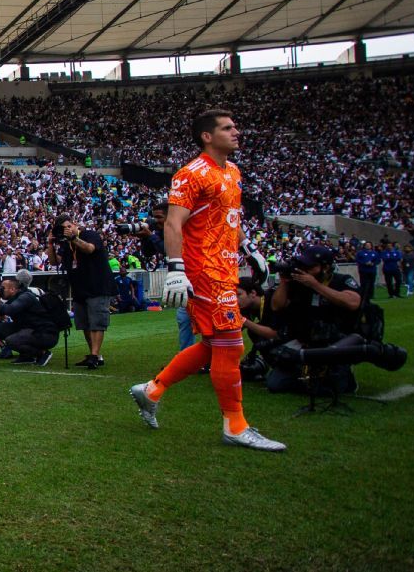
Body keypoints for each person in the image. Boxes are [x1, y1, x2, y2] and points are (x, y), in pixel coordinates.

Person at [130, 108, 284, 452]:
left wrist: (250, 248)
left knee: (214, 344)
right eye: (228, 128)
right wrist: (175, 269)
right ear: (207, 136)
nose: (236, 132)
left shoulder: (233, 172)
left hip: (226, 268)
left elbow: (230, 218)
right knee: (231, 344)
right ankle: (235, 425)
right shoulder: (191, 173)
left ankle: (152, 390)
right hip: (205, 271)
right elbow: (173, 223)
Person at [267, 245, 363, 394]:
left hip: (333, 342)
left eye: (310, 266)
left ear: (325, 267)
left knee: (332, 388)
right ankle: (308, 375)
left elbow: (353, 302)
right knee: (275, 384)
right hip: (304, 340)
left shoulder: (341, 280)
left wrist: (315, 285)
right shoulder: (298, 283)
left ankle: (337, 375)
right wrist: (285, 282)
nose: (305, 269)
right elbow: (276, 306)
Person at [48, 216, 114, 368]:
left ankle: (95, 355)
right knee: (84, 323)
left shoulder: (89, 235)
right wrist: (50, 244)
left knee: (97, 322)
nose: (67, 230)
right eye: (63, 228)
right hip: (79, 287)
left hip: (97, 285)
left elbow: (90, 248)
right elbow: (54, 262)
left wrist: (73, 238)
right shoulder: (65, 244)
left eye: (68, 226)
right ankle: (94, 354)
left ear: (75, 224)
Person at [0, 276, 57, 366]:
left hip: (44, 332)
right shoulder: (15, 298)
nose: (0, 290)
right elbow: (1, 314)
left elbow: (10, 309)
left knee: (11, 340)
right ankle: (26, 356)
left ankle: (42, 353)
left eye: (2, 288)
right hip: (27, 328)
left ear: (12, 289)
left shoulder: (26, 296)